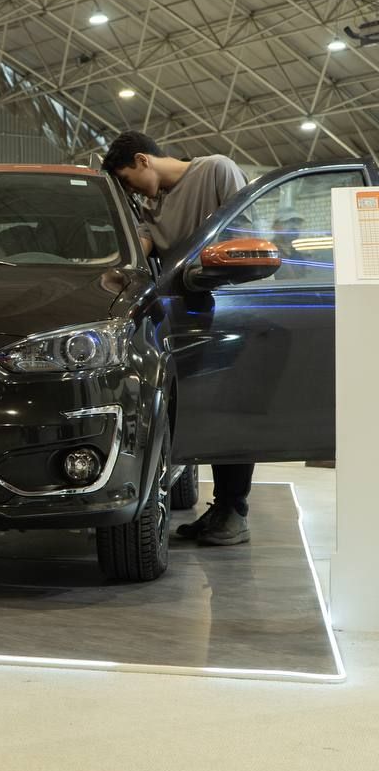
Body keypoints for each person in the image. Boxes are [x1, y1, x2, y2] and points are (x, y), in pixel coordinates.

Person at [101, 130, 252, 546]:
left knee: (231, 412)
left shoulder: (216, 171)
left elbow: (242, 236)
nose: (132, 190)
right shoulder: (152, 207)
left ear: (143, 160)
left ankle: (235, 510)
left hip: (227, 311)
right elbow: (138, 251)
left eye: (128, 179)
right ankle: (221, 508)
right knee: (199, 415)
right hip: (182, 318)